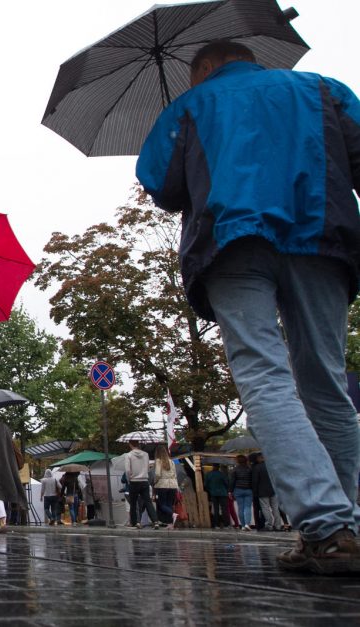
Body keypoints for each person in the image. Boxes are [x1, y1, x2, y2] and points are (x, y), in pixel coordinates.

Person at [137, 38, 360, 573]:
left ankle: (326, 525)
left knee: (265, 377)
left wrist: (187, 122)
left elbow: (160, 185)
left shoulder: (191, 105)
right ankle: (348, 524)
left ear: (206, 68)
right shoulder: (325, 90)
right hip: (322, 239)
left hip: (233, 243)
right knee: (327, 381)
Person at [125, 440, 160, 529]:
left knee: (133, 503)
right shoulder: (146, 454)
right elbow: (147, 468)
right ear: (138, 444)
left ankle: (136, 522)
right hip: (144, 480)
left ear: (130, 444)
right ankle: (155, 521)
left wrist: (129, 479)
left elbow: (128, 470)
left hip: (134, 481)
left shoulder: (128, 455)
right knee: (148, 502)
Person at [252, 453, 282, 532]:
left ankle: (269, 525)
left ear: (259, 458)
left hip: (262, 491)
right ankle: (278, 525)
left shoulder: (257, 468)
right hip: (273, 490)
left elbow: (255, 481)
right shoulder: (272, 467)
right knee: (275, 508)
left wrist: (255, 492)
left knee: (265, 508)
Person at [153, 445, 179, 528]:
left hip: (162, 485)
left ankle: (173, 514)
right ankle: (170, 523)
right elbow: (175, 474)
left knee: (162, 505)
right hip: (173, 485)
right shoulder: (171, 461)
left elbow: (157, 474)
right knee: (169, 505)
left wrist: (155, 481)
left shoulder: (158, 461)